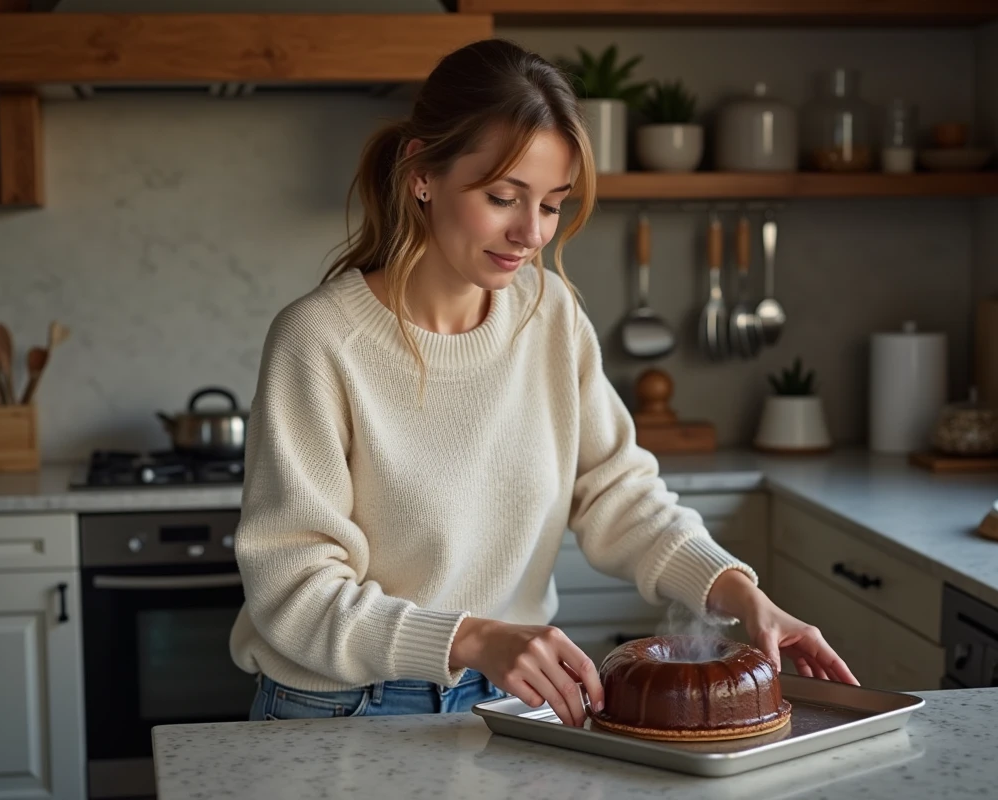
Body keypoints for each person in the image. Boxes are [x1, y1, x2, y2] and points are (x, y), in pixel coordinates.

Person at [231, 37, 857, 729]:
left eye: (552, 203)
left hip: (510, 705)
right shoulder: (319, 340)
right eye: (503, 196)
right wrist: (472, 639)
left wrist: (740, 593)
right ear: (421, 174)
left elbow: (618, 493)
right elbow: (293, 592)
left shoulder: (549, 314)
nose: (530, 232)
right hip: (341, 711)